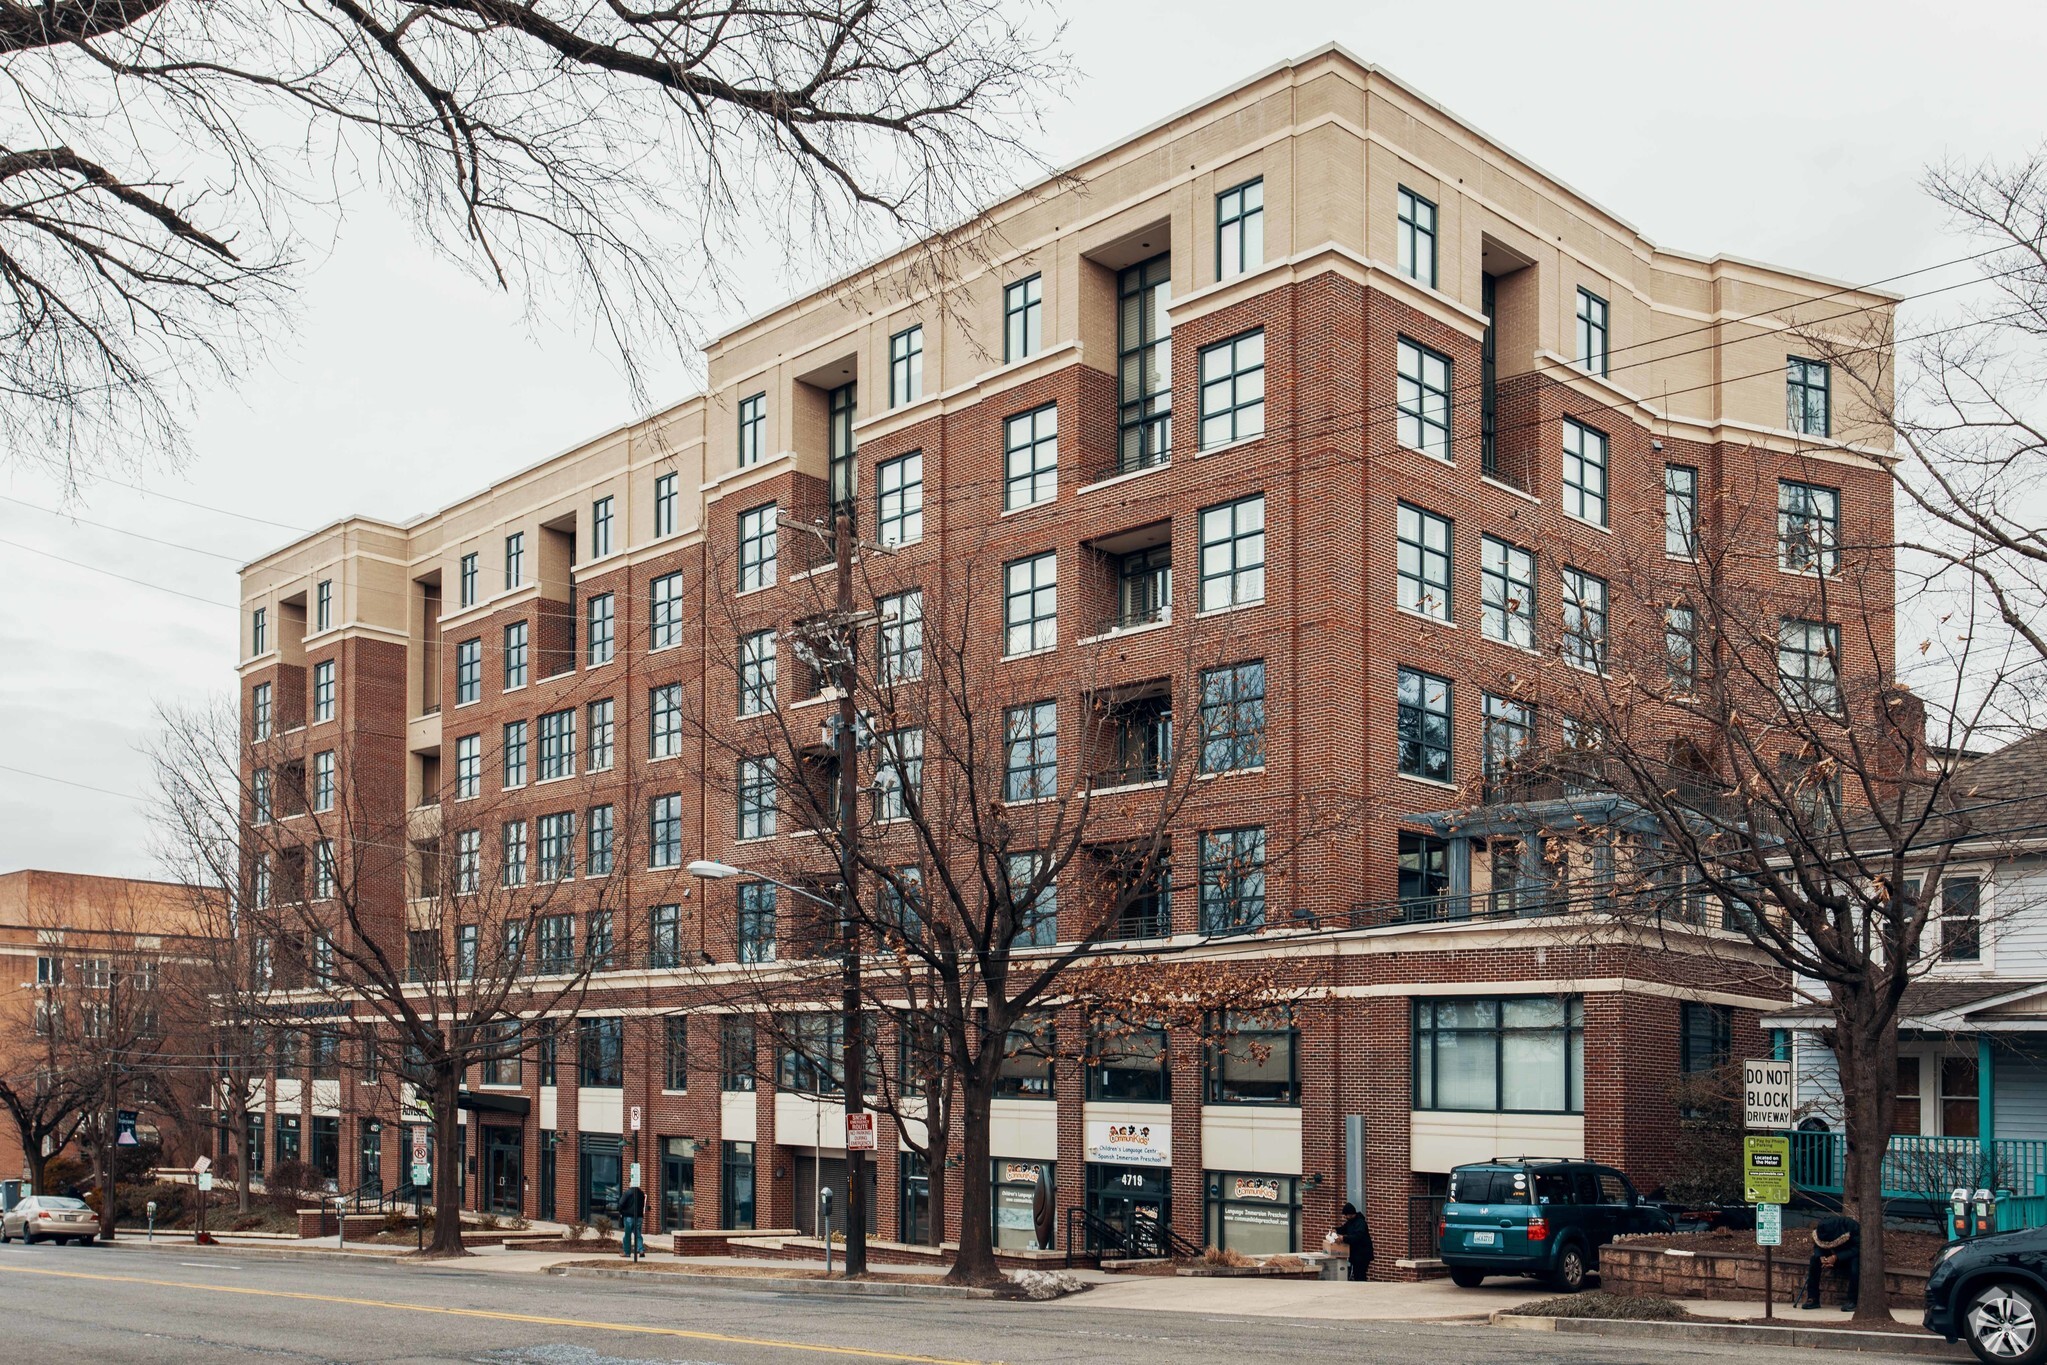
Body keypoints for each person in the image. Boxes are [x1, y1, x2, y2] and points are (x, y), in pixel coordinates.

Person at [1799, 1213, 1859, 1312]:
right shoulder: (1821, 1228)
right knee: (1814, 1260)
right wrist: (1821, 1256)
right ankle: (1813, 1298)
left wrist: (1837, 1257)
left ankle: (1853, 1300)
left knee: (1856, 1265)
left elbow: (1858, 1247)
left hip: (1849, 1257)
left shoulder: (1851, 1226)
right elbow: (1818, 1245)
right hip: (1829, 1255)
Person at [1333, 1202, 1374, 1282]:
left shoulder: (1360, 1223)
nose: (1345, 1217)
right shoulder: (1350, 1222)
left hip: (1362, 1254)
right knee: (1356, 1273)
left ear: (1351, 1214)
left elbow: (1357, 1237)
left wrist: (1344, 1238)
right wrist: (1336, 1230)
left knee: (1360, 1274)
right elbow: (1344, 1228)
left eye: (1346, 1215)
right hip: (1356, 1254)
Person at [617, 1183, 647, 1259]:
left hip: (628, 1217)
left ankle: (627, 1252)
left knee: (627, 1235)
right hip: (639, 1217)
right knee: (638, 1234)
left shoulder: (628, 1193)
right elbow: (642, 1205)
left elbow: (620, 1203)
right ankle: (641, 1250)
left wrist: (621, 1212)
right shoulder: (641, 1193)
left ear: (631, 1183)